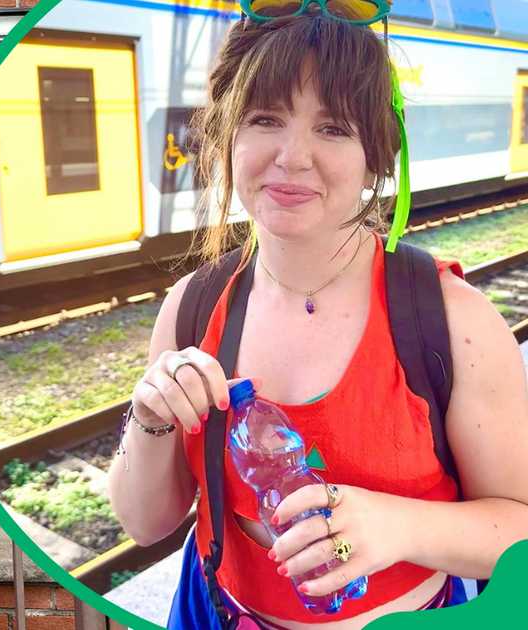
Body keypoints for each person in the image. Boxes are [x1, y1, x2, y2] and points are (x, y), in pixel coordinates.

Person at [107, 4, 528, 629]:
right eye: (265, 119)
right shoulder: (192, 308)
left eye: (333, 128)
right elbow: (145, 524)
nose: (293, 156)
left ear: (377, 156)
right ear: (228, 138)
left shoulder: (450, 321)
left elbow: (518, 527)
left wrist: (398, 525)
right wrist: (148, 421)